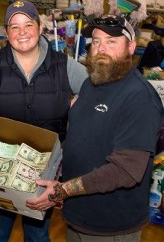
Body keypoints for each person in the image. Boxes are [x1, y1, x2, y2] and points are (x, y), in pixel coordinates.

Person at [26, 15, 164, 241]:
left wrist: (62, 190)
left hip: (111, 225)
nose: (101, 49)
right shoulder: (92, 83)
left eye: (111, 42)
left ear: (130, 47)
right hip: (78, 216)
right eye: (97, 41)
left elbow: (125, 171)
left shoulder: (140, 98)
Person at [0, 0, 88, 242]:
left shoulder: (64, 65)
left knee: (38, 234)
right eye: (14, 27)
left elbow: (95, 93)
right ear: (7, 32)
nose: (22, 33)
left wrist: (80, 104)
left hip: (44, 169)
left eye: (28, 25)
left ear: (40, 28)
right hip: (0, 166)